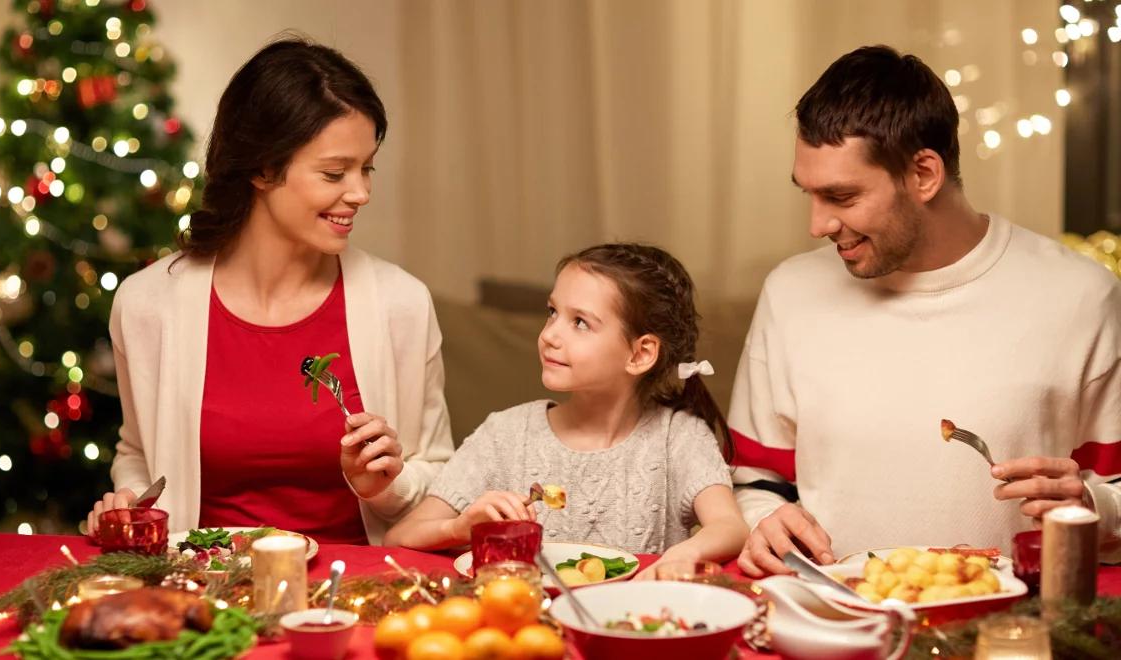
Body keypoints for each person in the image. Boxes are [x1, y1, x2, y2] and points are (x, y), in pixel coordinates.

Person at [730, 45, 1121, 577]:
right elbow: (754, 481)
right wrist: (765, 518)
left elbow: (1113, 494)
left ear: (924, 174)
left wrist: (1096, 508)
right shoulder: (789, 293)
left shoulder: (1079, 295)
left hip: (1009, 640)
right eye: (810, 194)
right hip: (839, 627)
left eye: (841, 197)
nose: (817, 225)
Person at [84, 38, 454, 544]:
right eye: (334, 172)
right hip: (202, 595)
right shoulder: (148, 304)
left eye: (366, 168)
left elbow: (441, 476)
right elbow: (137, 453)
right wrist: (131, 501)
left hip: (351, 596)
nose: (361, 193)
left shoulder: (401, 305)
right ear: (261, 167)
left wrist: (383, 485)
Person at [385, 243, 749, 575]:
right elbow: (400, 536)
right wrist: (460, 527)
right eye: (552, 312)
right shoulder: (506, 434)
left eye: (580, 323)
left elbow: (729, 527)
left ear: (640, 354)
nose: (550, 335)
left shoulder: (678, 438)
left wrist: (684, 554)